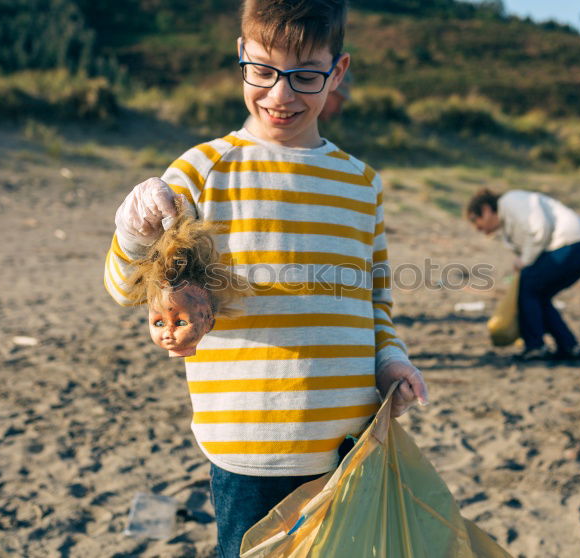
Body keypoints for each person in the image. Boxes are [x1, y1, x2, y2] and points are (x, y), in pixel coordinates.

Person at [101, 2, 428, 556]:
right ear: (241, 58)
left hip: (348, 443)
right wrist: (133, 233)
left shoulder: (360, 183)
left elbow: (375, 299)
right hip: (248, 445)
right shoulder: (202, 169)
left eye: (305, 76)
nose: (280, 95)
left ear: (339, 71)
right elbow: (124, 286)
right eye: (263, 71)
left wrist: (388, 360)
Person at [466, 188, 580, 361]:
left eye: (476, 221)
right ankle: (569, 347)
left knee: (528, 287)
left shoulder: (510, 200)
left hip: (575, 244)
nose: (478, 229)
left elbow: (540, 228)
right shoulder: (507, 228)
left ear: (485, 209)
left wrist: (525, 261)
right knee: (539, 294)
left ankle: (535, 346)